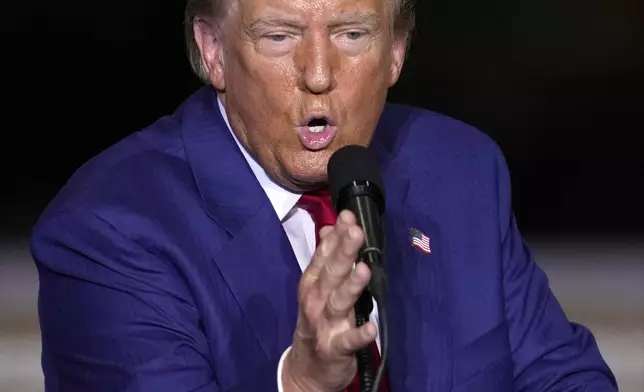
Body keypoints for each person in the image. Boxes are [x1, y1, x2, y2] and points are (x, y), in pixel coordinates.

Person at [30, 0, 618, 391]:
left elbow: (565, 379)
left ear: (396, 50)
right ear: (212, 50)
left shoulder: (459, 170)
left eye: (352, 34)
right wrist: (304, 384)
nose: (317, 73)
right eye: (280, 36)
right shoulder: (106, 232)